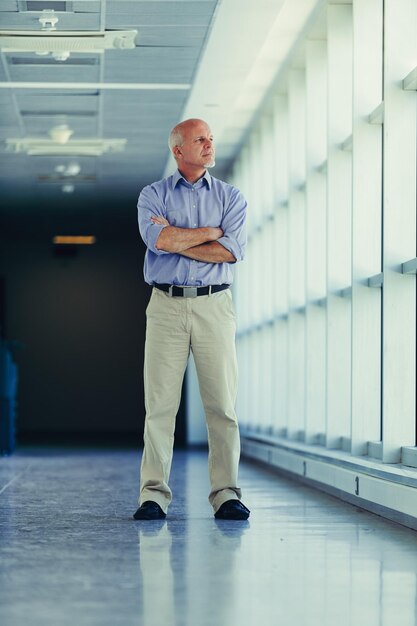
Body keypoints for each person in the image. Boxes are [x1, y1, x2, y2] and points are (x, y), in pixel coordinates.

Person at [133, 118, 249, 521]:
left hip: (215, 306)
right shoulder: (153, 195)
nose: (209, 144)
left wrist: (181, 237)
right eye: (200, 139)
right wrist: (208, 233)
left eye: (211, 138)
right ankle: (153, 496)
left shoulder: (232, 198)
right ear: (178, 150)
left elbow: (230, 252)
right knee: (160, 406)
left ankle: (226, 495)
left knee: (222, 405)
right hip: (165, 306)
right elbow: (158, 241)